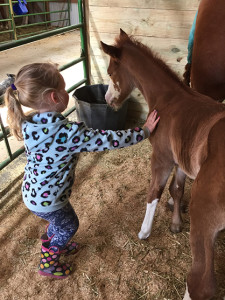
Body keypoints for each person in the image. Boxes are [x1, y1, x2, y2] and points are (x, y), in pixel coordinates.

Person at [5, 62, 160, 279]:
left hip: (33, 193)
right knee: (69, 225)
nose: (66, 93)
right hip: (50, 199)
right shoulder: (68, 133)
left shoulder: (29, 123)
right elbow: (110, 139)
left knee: (59, 223)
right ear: (54, 97)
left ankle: (56, 241)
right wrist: (143, 131)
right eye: (64, 89)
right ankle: (48, 263)